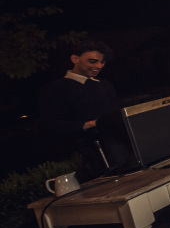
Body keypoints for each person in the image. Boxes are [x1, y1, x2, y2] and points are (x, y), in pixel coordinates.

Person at [39, 39, 121, 180]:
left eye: (102, 62)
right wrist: (86, 125)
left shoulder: (105, 85)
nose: (99, 66)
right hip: (84, 159)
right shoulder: (55, 89)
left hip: (116, 152)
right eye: (92, 61)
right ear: (75, 59)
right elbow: (51, 126)